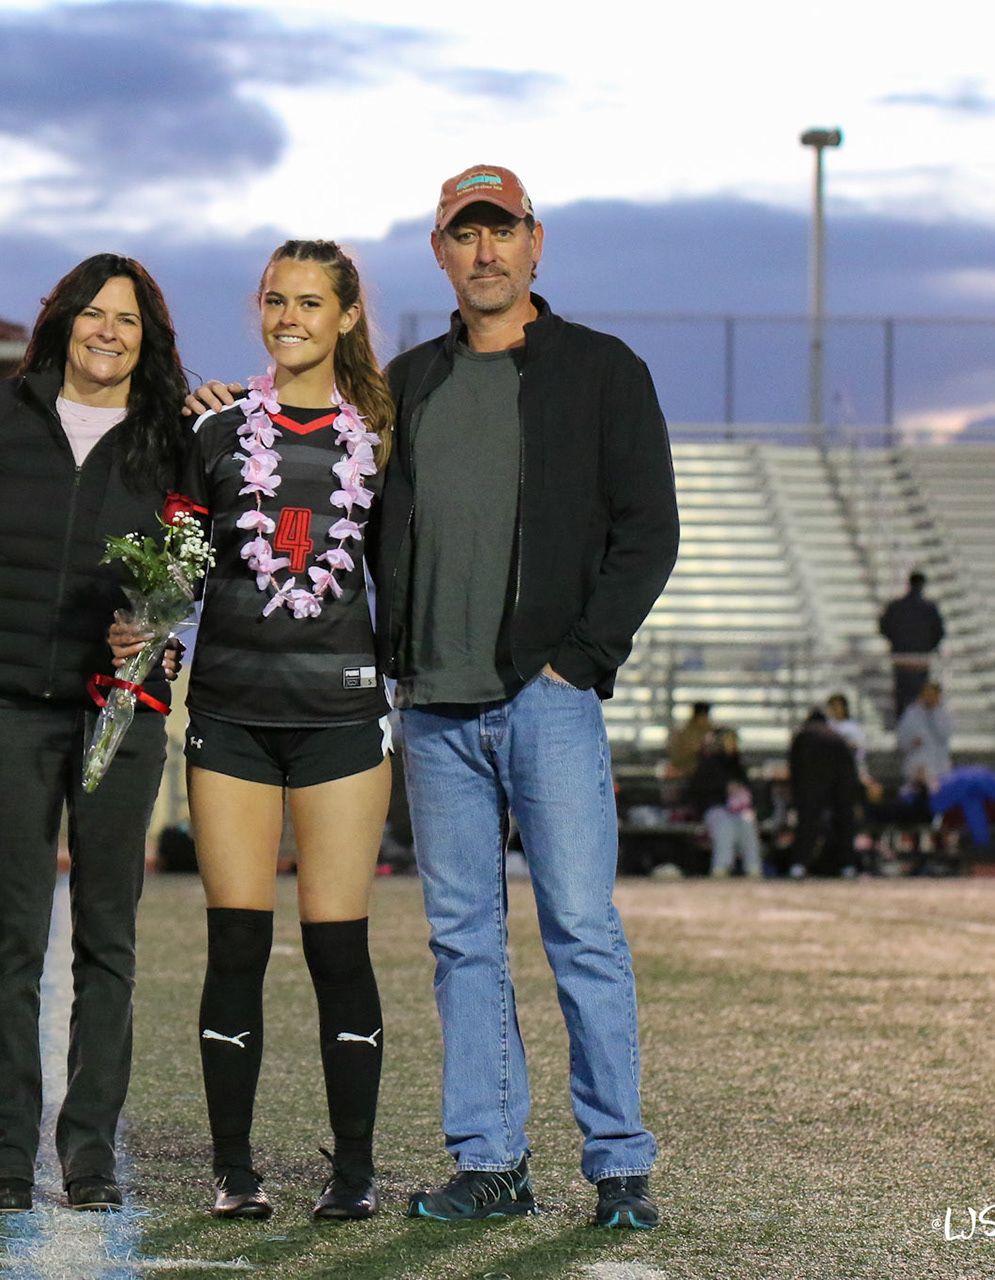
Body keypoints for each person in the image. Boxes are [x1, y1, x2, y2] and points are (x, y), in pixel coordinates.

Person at [376, 166, 675, 1230]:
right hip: (434, 708)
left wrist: (579, 658)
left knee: (582, 929)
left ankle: (621, 1164)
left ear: (535, 242)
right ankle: (492, 1160)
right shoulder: (405, 382)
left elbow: (649, 529)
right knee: (463, 941)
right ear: (440, 253)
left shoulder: (601, 370)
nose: (485, 252)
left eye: (501, 231)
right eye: (465, 235)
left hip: (546, 699)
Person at [0, 255, 190, 1214]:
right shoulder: (6, 413)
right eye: (93, 313)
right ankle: (8, 1153)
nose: (108, 332)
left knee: (107, 938)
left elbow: (189, 563)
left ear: (149, 337)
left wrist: (161, 627)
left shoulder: (174, 431)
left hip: (119, 710)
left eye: (127, 320)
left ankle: (91, 1152)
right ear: (62, 321)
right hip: (9, 704)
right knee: (13, 936)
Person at [176, 240, 396, 1222]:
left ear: (346, 316)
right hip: (231, 714)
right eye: (276, 300)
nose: (290, 318)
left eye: (310, 302)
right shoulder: (214, 426)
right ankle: (235, 1169)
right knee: (236, 944)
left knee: (337, 947)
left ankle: (354, 1171)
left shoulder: (382, 434)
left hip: (341, 718)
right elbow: (175, 561)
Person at [788, 709, 862, 876]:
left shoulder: (803, 736)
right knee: (844, 823)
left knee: (807, 824)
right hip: (840, 784)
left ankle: (798, 865)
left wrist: (797, 793)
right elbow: (850, 768)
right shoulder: (836, 737)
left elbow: (795, 767)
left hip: (812, 784)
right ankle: (848, 866)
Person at [687, 728, 760, 878]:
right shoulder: (707, 762)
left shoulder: (736, 763)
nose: (731, 744)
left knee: (748, 821)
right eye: (727, 740)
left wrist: (737, 788)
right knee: (724, 825)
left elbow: (747, 786)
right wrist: (724, 788)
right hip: (715, 807)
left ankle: (753, 868)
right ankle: (721, 867)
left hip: (738, 809)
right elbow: (699, 790)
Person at [879, 571, 944, 719]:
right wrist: (927, 647)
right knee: (919, 693)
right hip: (920, 660)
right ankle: (918, 723)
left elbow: (884, 627)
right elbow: (939, 632)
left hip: (902, 658)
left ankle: (902, 721)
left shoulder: (896, 606)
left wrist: (897, 644)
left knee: (903, 693)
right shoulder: (929, 609)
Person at [895, 680, 953, 786]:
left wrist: (933, 715)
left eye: (932, 695)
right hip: (917, 766)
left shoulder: (944, 713)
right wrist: (912, 742)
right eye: (927, 694)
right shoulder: (911, 713)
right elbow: (901, 741)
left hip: (940, 766)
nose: (929, 698)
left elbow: (946, 734)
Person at [664, 701, 712, 778]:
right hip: (687, 772)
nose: (706, 720)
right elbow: (679, 757)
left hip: (700, 772)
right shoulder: (687, 733)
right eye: (704, 716)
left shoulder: (708, 730)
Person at [824, 692, 868, 777]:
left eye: (837, 706)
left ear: (844, 708)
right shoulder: (826, 727)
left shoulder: (852, 727)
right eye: (832, 707)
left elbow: (859, 748)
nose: (834, 710)